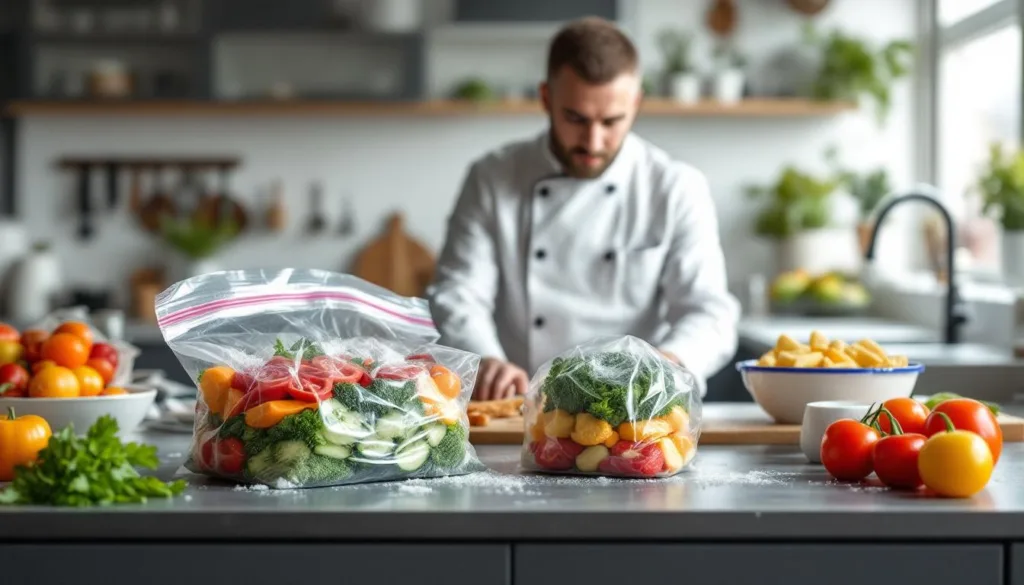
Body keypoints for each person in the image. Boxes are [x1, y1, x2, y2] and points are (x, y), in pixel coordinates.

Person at [427, 17, 740, 400]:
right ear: (546, 99)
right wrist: (487, 360)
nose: (593, 142)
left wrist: (670, 362)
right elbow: (459, 294)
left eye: (611, 121)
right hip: (523, 405)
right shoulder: (492, 177)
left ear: (636, 103)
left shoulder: (675, 187)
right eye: (575, 118)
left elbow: (709, 312)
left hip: (634, 411)